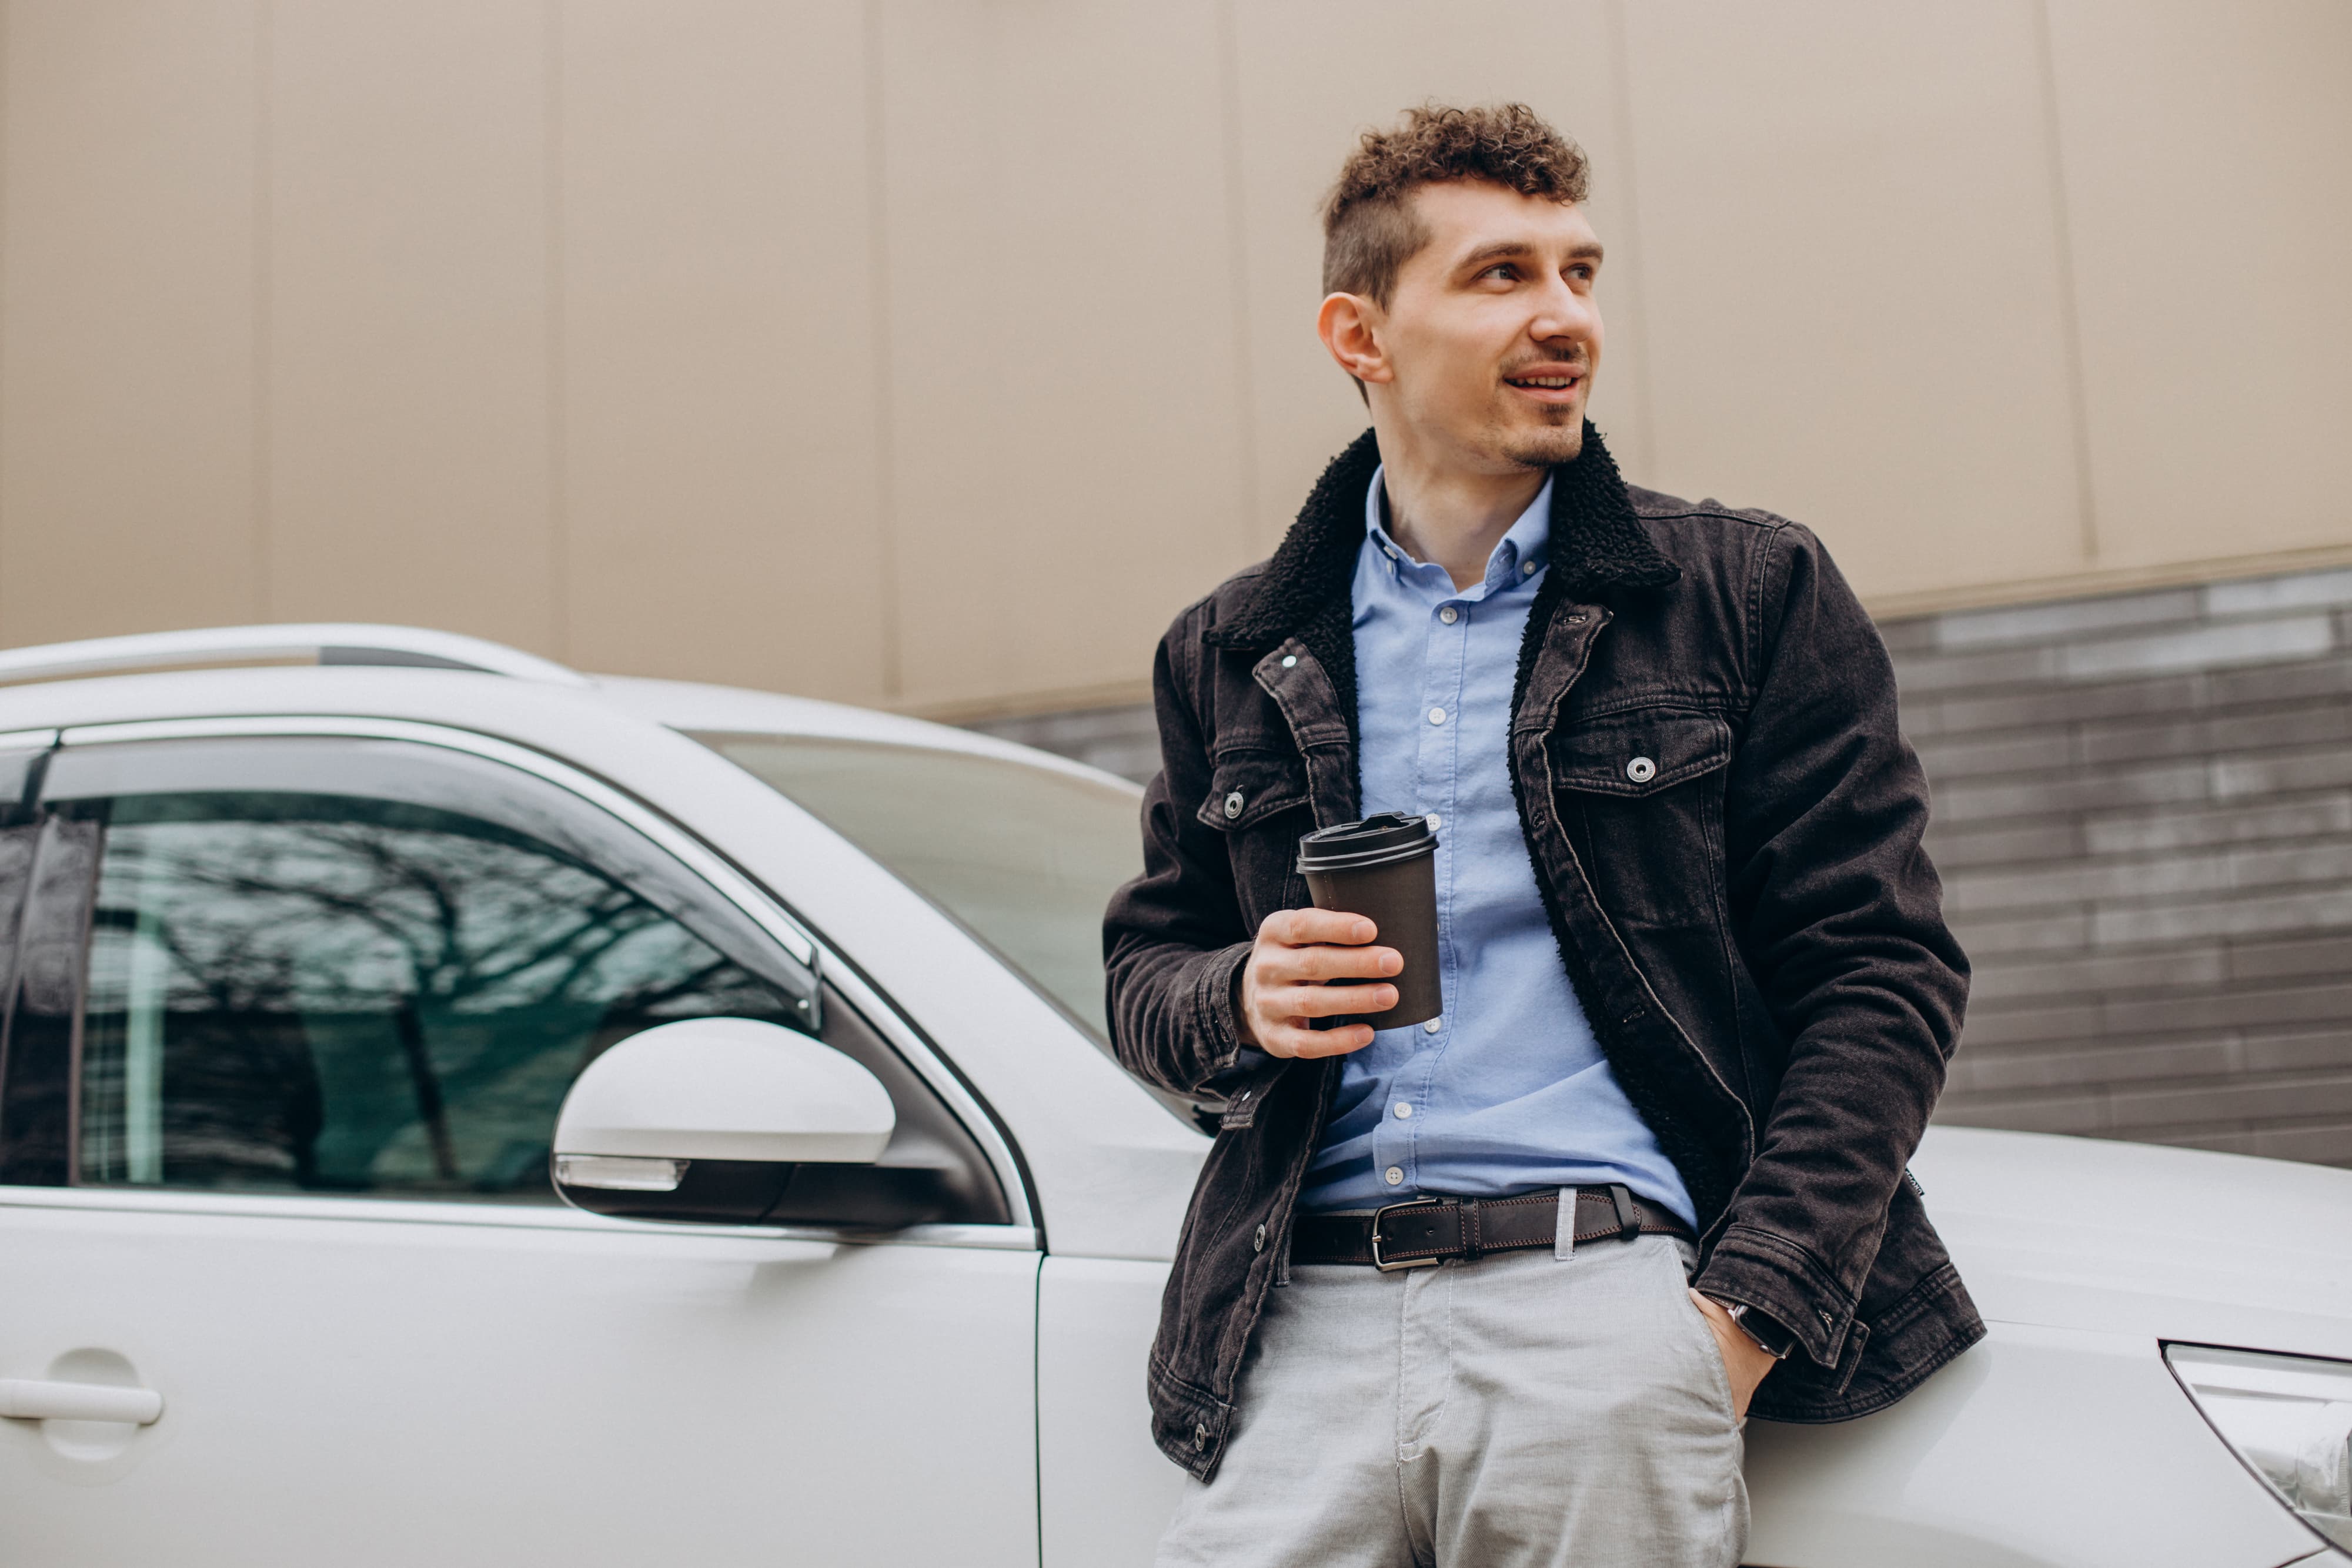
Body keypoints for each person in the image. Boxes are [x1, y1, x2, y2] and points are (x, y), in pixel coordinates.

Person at [1103, 102, 1982, 1567]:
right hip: (1296, 1323)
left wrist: (1735, 1321)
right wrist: (1237, 997)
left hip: (1602, 1318)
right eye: (1501, 274)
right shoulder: (1231, 646)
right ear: (1358, 332)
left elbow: (1881, 977)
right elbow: (1147, 971)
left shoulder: (1744, 593)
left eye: (1579, 272)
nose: (1563, 315)